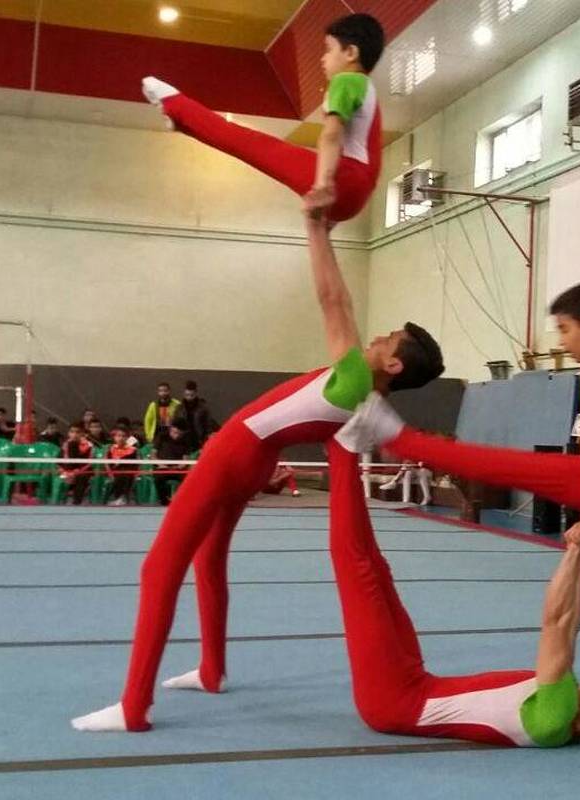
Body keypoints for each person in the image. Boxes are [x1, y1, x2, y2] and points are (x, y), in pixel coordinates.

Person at [71, 214, 444, 733]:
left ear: (394, 366)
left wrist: (317, 229)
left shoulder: (356, 376)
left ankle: (133, 708)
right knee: (209, 558)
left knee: (159, 568)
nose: (378, 336)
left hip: (232, 455)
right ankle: (211, 670)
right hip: (253, 460)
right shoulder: (365, 400)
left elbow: (334, 300)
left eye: (390, 339)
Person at [323, 438, 580, 747]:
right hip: (415, 682)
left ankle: (342, 444)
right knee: (375, 569)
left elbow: (557, 623)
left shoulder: (555, 718)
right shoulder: (562, 699)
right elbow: (571, 623)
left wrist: (576, 551)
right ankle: (343, 444)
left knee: (359, 568)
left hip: (394, 701)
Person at [339, 281, 580, 543]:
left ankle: (393, 433)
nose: (562, 342)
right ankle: (395, 434)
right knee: (508, 465)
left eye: (565, 329)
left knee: (497, 463)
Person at [141, 13, 383, 223]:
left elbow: (331, 136)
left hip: (345, 183)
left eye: (329, 50)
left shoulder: (346, 81)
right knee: (248, 145)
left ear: (351, 53)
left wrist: (323, 185)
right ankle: (183, 121)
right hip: (357, 196)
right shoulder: (369, 90)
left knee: (250, 143)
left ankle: (175, 104)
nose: (323, 58)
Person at [152, 420, 192, 506]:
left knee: (189, 478)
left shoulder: (186, 441)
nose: (176, 436)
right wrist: (160, 464)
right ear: (171, 429)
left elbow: (186, 459)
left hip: (177, 469)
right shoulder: (162, 437)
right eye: (175, 432)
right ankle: (164, 501)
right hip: (162, 468)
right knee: (158, 478)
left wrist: (180, 466)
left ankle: (181, 501)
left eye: (180, 434)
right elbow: (153, 455)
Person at [58, 422, 95, 505]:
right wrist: (64, 472)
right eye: (72, 432)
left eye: (77, 432)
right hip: (67, 472)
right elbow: (59, 461)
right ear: (68, 433)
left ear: (82, 433)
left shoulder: (89, 446)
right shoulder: (66, 444)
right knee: (56, 476)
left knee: (81, 477)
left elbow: (88, 464)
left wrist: (75, 473)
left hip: (83, 471)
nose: (74, 435)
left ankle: (76, 502)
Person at [176, 381, 218, 451]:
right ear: (184, 394)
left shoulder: (203, 408)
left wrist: (207, 438)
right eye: (187, 395)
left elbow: (208, 424)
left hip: (199, 440)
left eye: (191, 395)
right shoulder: (180, 408)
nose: (189, 398)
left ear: (195, 394)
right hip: (184, 441)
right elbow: (176, 424)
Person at [107, 426, 138, 506]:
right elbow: (107, 463)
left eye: (123, 436)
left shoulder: (133, 450)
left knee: (125, 475)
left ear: (127, 438)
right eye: (118, 436)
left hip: (128, 473)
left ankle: (121, 498)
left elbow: (137, 464)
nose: (121, 438)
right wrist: (110, 474)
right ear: (114, 437)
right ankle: (119, 498)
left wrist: (135, 474)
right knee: (120, 475)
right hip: (114, 473)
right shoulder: (111, 448)